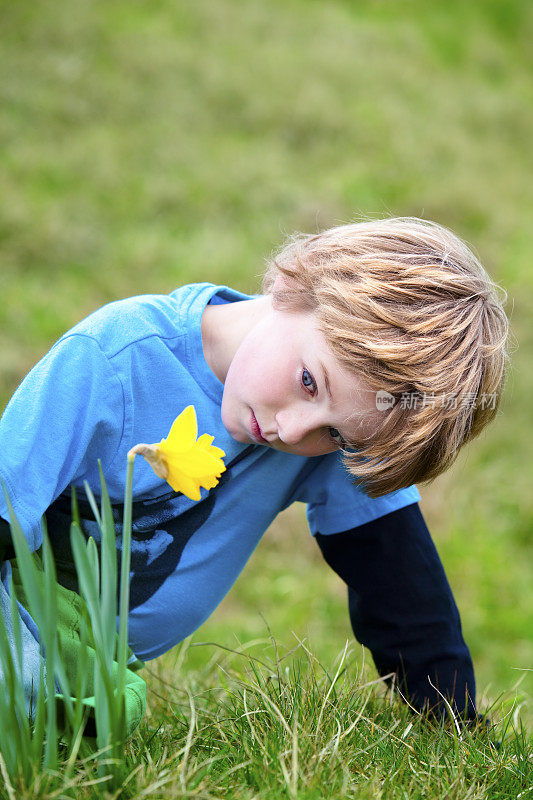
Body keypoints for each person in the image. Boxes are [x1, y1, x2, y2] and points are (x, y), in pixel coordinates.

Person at [0, 217, 509, 734]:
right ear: (295, 288)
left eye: (336, 435)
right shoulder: (116, 357)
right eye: (309, 382)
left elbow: (397, 573)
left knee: (90, 711)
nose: (292, 431)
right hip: (13, 614)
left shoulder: (335, 429)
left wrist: (454, 718)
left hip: (89, 664)